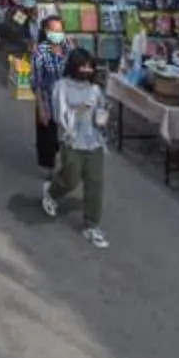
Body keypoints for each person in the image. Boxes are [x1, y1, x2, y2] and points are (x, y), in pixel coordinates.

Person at [40, 49, 114, 248]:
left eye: (90, 67)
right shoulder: (61, 87)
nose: (87, 70)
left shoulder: (95, 90)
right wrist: (80, 110)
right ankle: (53, 191)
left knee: (95, 182)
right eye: (83, 66)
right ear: (73, 67)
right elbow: (60, 116)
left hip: (94, 142)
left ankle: (92, 225)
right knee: (71, 178)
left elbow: (101, 114)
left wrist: (103, 115)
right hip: (72, 141)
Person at [28, 13, 73, 174]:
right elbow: (36, 82)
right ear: (46, 32)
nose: (57, 33)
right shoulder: (40, 53)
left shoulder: (68, 49)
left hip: (67, 100)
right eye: (53, 30)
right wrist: (41, 107)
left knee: (67, 134)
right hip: (47, 100)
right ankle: (48, 168)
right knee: (47, 137)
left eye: (59, 30)